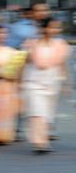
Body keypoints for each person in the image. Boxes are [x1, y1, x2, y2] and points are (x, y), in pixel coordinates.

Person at [22, 17, 71, 153]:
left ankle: (43, 139)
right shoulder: (32, 43)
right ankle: (39, 142)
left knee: (47, 114)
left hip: (52, 82)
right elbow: (25, 62)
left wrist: (67, 83)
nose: (55, 30)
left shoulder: (60, 44)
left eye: (57, 27)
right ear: (44, 28)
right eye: (52, 27)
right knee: (38, 112)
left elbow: (63, 64)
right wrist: (19, 81)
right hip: (34, 82)